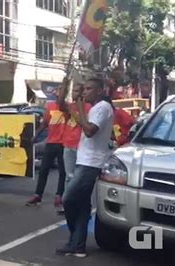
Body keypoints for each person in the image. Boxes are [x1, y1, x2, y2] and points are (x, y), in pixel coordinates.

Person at [58, 78, 114, 258]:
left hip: (91, 163)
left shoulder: (102, 107)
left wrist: (81, 109)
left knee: (68, 199)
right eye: (84, 89)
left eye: (89, 89)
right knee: (81, 205)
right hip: (85, 159)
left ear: (99, 91)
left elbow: (90, 131)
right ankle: (77, 245)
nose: (84, 92)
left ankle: (75, 239)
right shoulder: (97, 107)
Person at [26, 89, 66, 212]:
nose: (59, 95)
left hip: (63, 144)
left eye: (61, 92)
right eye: (57, 93)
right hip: (51, 142)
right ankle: (38, 195)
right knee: (43, 170)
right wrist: (36, 135)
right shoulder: (50, 107)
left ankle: (59, 196)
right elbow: (44, 124)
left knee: (62, 172)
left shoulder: (68, 107)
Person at [61, 86, 91, 195]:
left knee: (80, 178)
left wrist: (74, 111)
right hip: (68, 145)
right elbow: (60, 103)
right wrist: (65, 82)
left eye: (78, 91)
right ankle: (68, 203)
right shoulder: (70, 106)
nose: (75, 93)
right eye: (74, 91)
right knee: (69, 176)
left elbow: (84, 124)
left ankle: (79, 203)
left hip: (81, 146)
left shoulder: (88, 107)